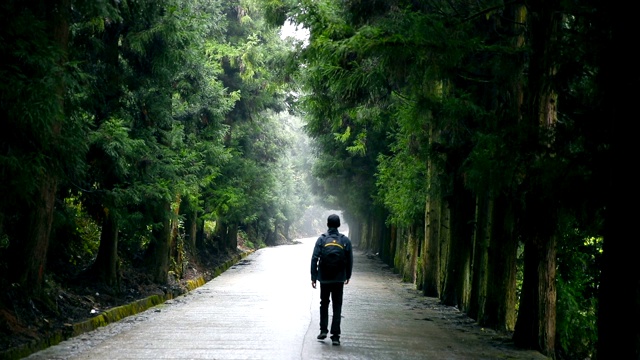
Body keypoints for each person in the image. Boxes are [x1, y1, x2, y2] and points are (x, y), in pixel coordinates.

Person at [310, 214, 353, 346]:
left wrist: (314, 276)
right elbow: (350, 260)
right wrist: (347, 276)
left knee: (324, 303)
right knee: (337, 305)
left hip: (324, 278)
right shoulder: (345, 240)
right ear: (339, 225)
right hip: (339, 278)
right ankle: (335, 336)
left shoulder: (322, 239)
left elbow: (314, 258)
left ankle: (323, 330)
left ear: (327, 224)